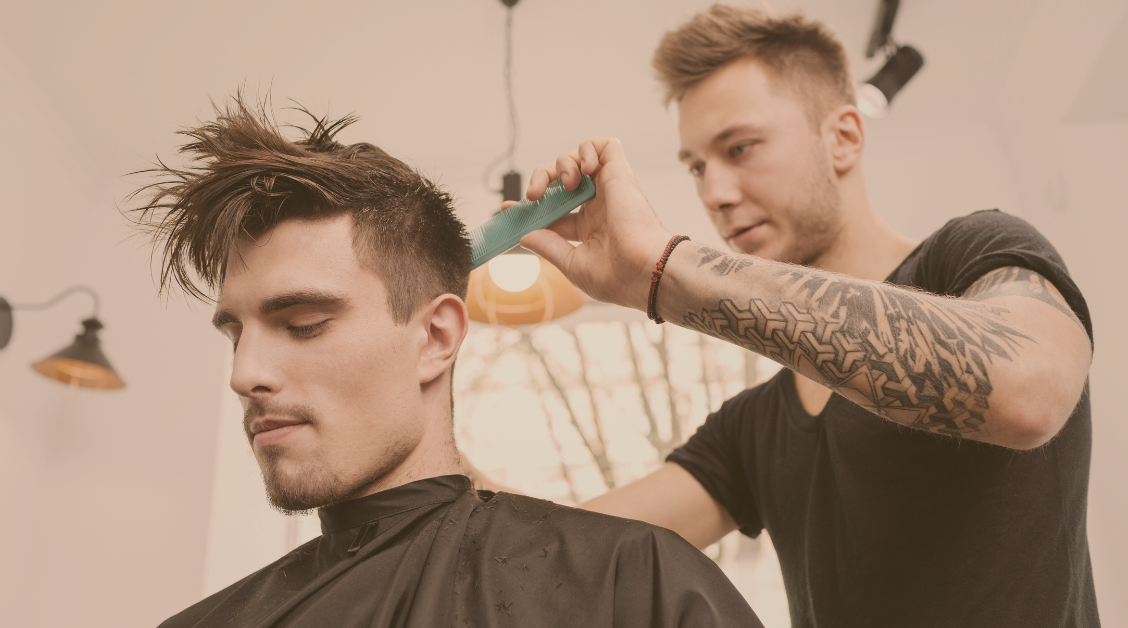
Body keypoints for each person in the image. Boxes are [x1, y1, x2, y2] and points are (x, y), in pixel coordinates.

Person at [503, 6, 1097, 628]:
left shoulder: (975, 253)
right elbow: (564, 551)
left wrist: (664, 269)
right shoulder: (752, 428)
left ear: (842, 136)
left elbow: (1030, 390)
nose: (715, 194)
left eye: (740, 148)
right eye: (698, 167)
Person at [128, 98, 763, 628]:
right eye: (234, 334)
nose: (243, 376)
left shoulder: (634, 584)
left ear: (436, 336)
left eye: (303, 324)